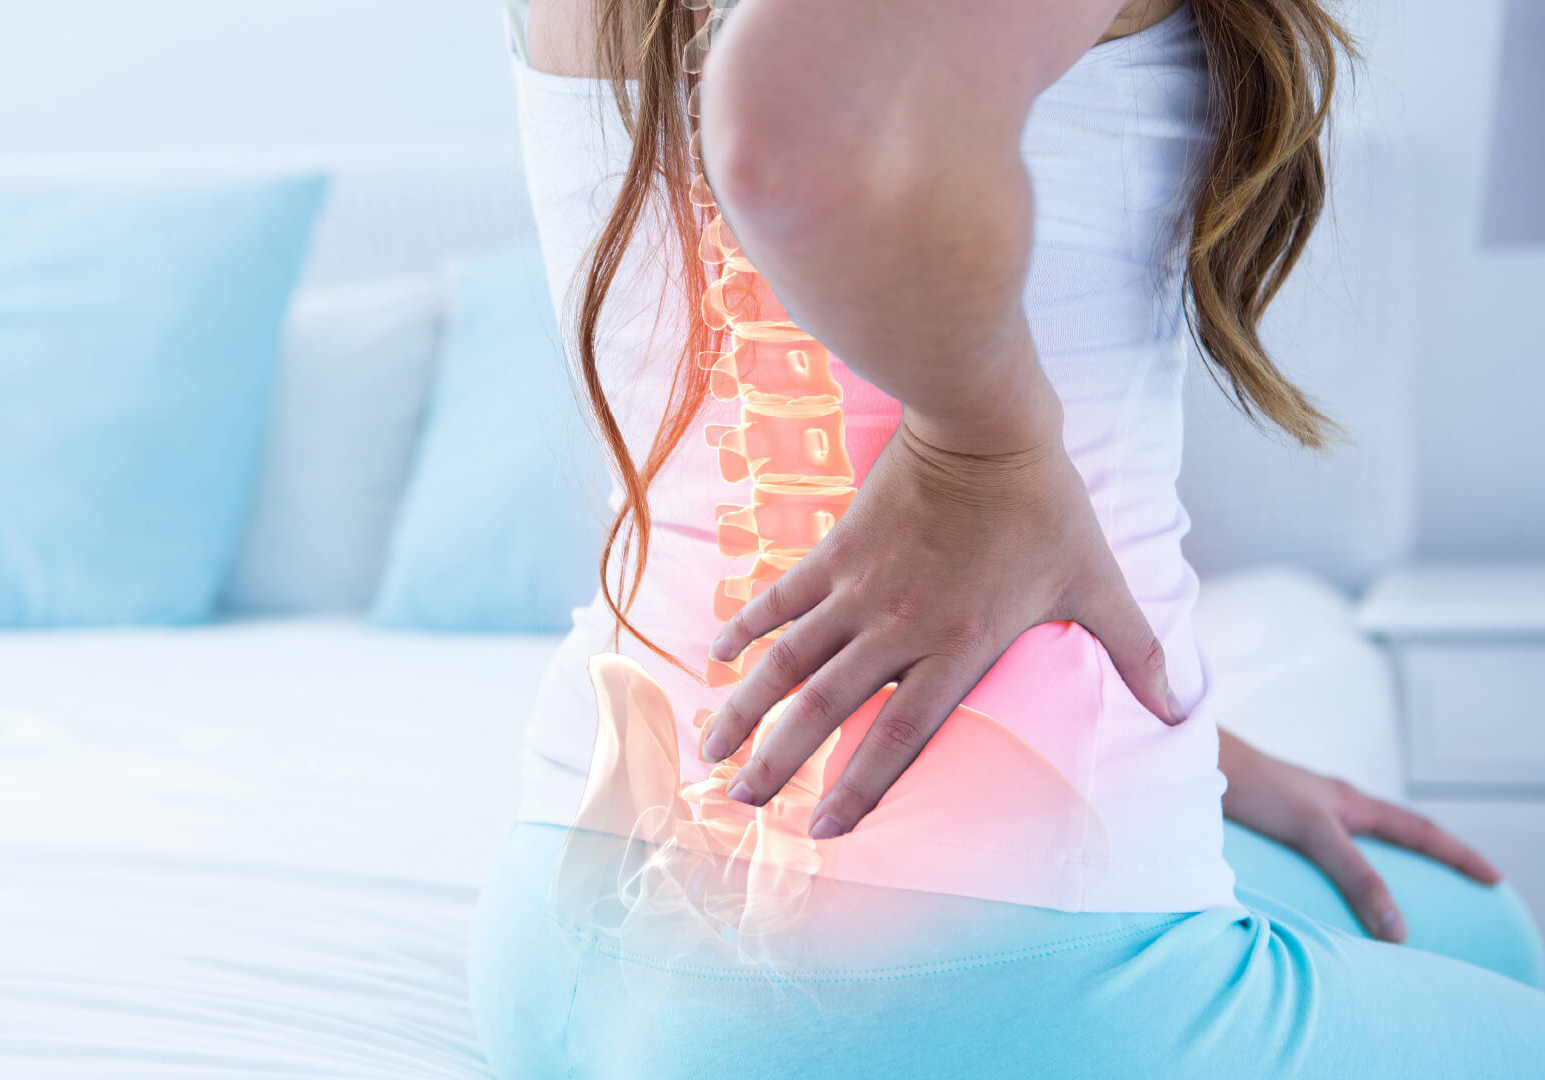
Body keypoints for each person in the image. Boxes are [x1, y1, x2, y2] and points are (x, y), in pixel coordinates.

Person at [469, 0, 1545, 1075]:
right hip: (949, 987)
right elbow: (799, 109)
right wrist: (981, 450)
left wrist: (1181, 740)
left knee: (1474, 920)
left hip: (563, 929)